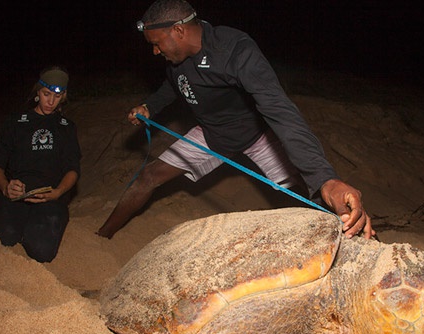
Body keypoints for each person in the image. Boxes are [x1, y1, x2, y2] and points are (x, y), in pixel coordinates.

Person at [97, 0, 374, 239]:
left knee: (311, 194)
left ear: (179, 31)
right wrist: (149, 106)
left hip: (256, 137)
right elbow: (174, 85)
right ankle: (101, 236)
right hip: (210, 135)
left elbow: (280, 111)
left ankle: (364, 237)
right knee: (148, 176)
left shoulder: (234, 49)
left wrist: (326, 178)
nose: (155, 51)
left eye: (156, 44)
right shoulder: (177, 60)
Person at [0, 66, 82, 263]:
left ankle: (35, 229)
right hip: (15, 195)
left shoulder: (66, 128)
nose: (51, 102)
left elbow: (73, 169)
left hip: (50, 197)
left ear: (63, 96)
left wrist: (59, 192)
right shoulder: (16, 123)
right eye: (46, 94)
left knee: (42, 252)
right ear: (38, 91)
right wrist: (5, 187)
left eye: (57, 96)